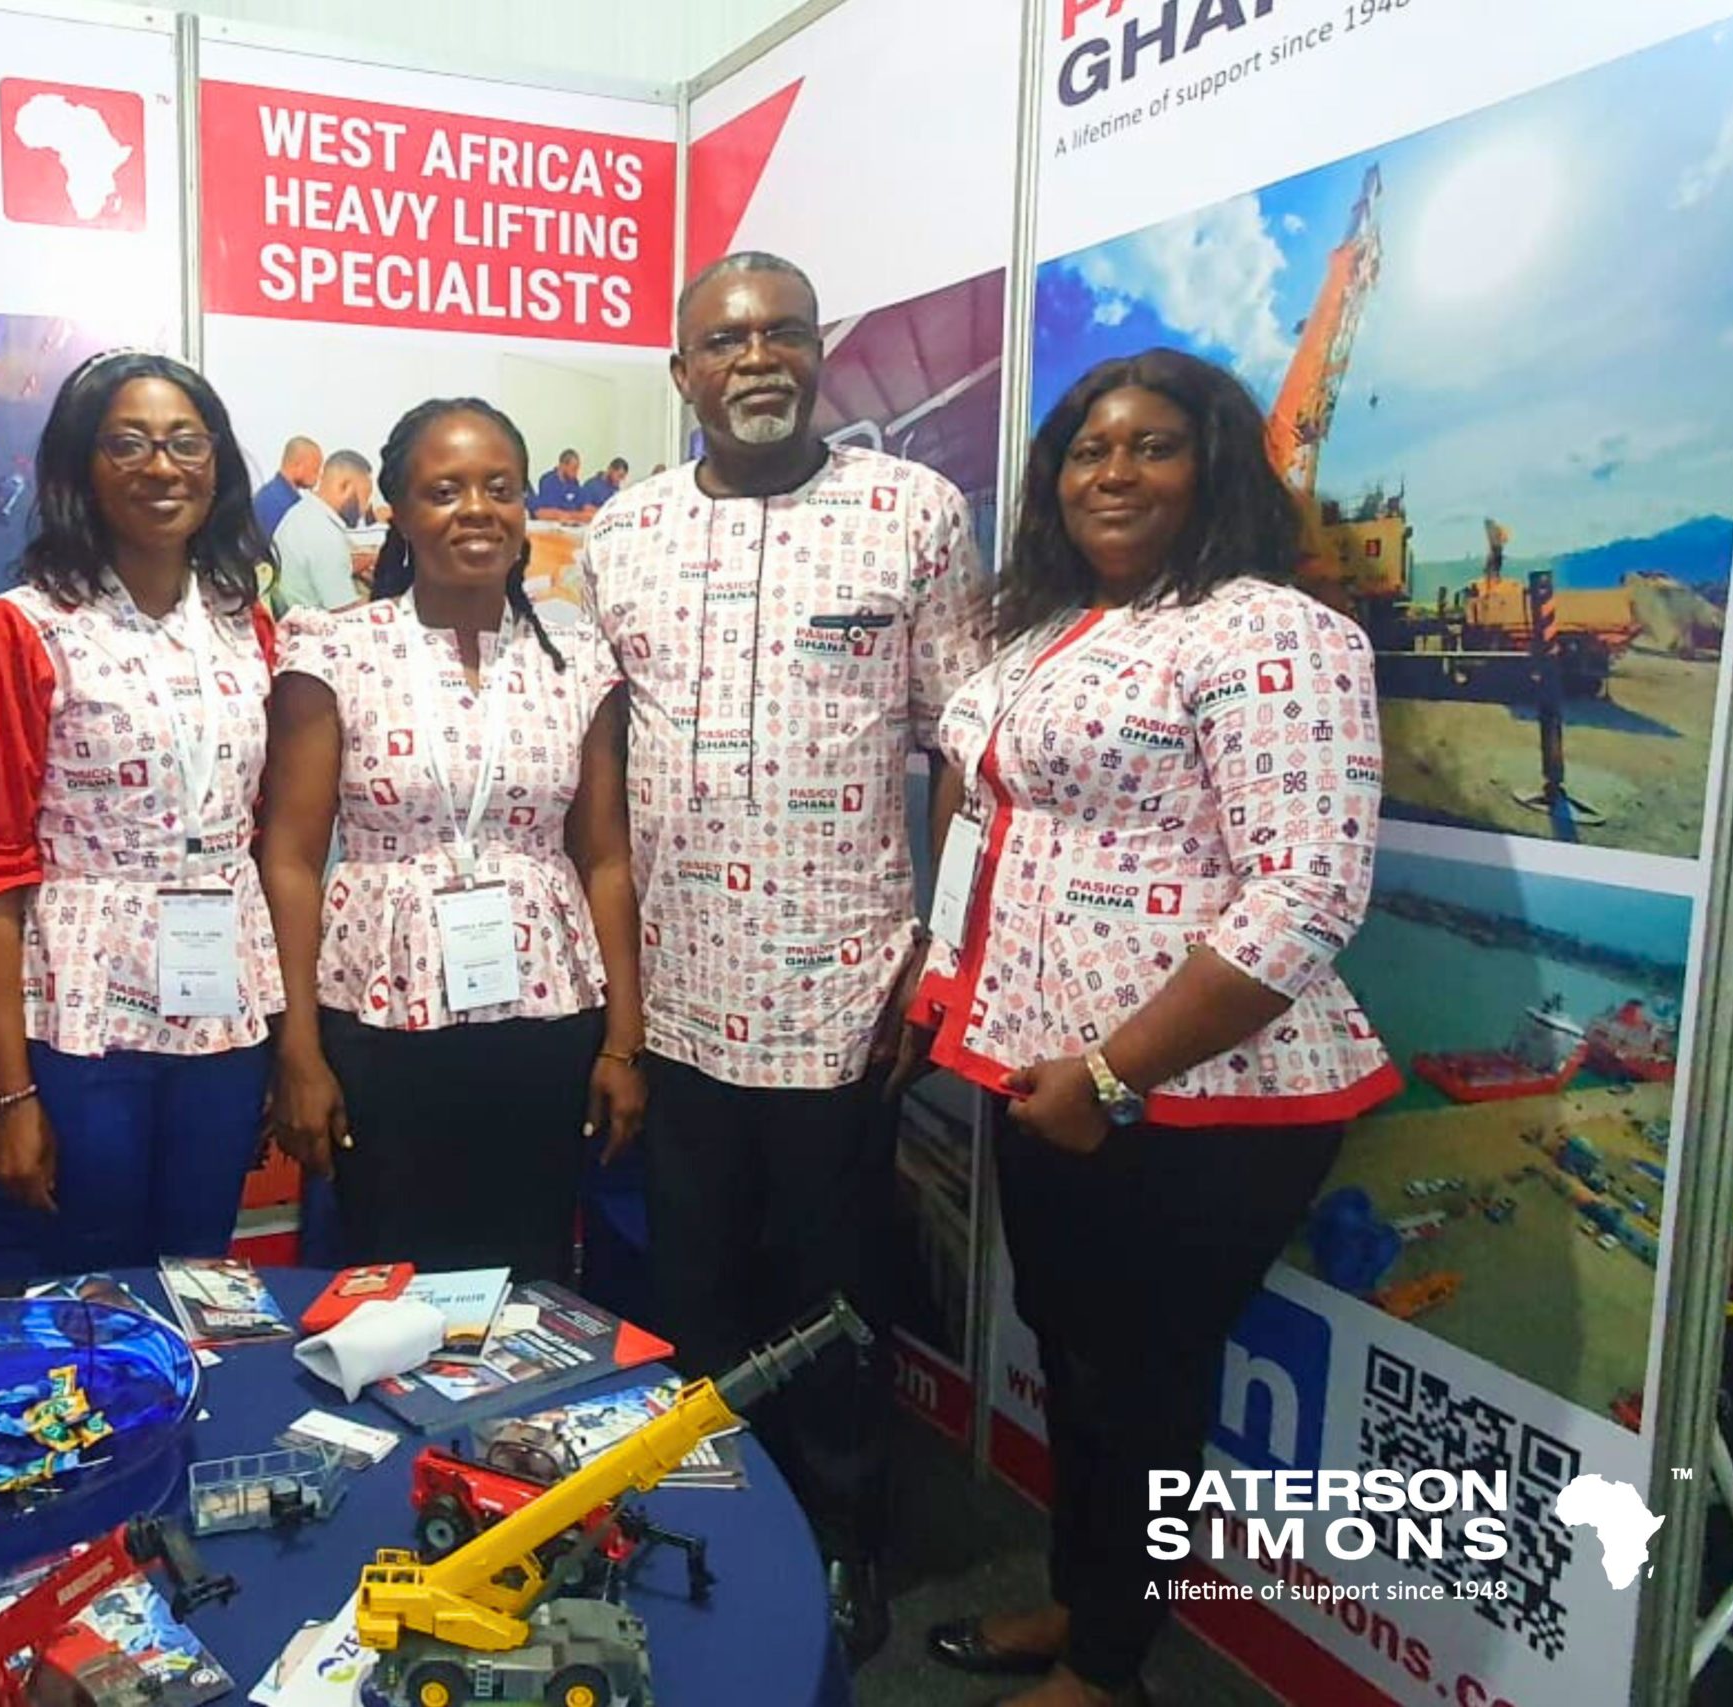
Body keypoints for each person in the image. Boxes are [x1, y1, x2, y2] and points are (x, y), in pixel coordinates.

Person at [911, 349, 1399, 1707]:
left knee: (1142, 1380)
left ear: (1215, 467)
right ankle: (1082, 1602)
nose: (1112, 474)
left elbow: (1308, 893)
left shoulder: (1272, 633)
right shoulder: (1046, 631)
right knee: (1074, 1360)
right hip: (1041, 1071)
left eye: (1152, 446)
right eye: (1088, 450)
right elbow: (987, 822)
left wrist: (1112, 1073)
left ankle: (1109, 1668)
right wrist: (945, 980)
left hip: (1194, 1093)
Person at [576, 250, 992, 1661]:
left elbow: (965, 749)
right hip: (678, 996)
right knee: (695, 1289)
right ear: (682, 370)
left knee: (836, 1295)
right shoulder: (624, 533)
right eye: (723, 339)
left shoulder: (912, 513)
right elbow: (598, 765)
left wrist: (938, 957)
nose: (754, 358)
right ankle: (707, 1535)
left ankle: (844, 1542)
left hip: (841, 997)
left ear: (815, 352)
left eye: (781, 333)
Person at [260, 399, 645, 1281]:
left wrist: (623, 1041)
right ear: (398, 510)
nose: (477, 509)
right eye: (445, 490)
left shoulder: (574, 662)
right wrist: (299, 1048)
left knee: (531, 1273)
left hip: (546, 1018)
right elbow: (290, 859)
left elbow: (605, 859)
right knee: (389, 1279)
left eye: (499, 488)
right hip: (379, 1017)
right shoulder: (336, 651)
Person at [0, 351, 283, 1274]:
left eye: (185, 443)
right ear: (81, 466)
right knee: (89, 1276)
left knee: (200, 1270)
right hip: (80, 1003)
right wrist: (8, 1095)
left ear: (217, 463)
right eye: (128, 444)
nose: (161, 467)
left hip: (222, 993)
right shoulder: (17, 630)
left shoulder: (247, 625)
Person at [272, 448, 374, 611]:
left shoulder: (302, 511)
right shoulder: (326, 536)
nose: (364, 509)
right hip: (315, 621)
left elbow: (321, 567)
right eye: (365, 497)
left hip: (291, 609)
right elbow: (345, 612)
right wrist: (391, 600)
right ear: (345, 486)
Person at [255, 435, 321, 536]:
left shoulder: (268, 494)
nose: (318, 476)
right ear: (298, 466)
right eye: (315, 470)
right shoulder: (283, 506)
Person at [527, 447, 586, 519]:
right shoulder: (548, 481)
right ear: (562, 465)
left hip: (572, 522)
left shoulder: (574, 482)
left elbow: (580, 506)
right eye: (573, 469)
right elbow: (554, 511)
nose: (576, 473)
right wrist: (573, 514)